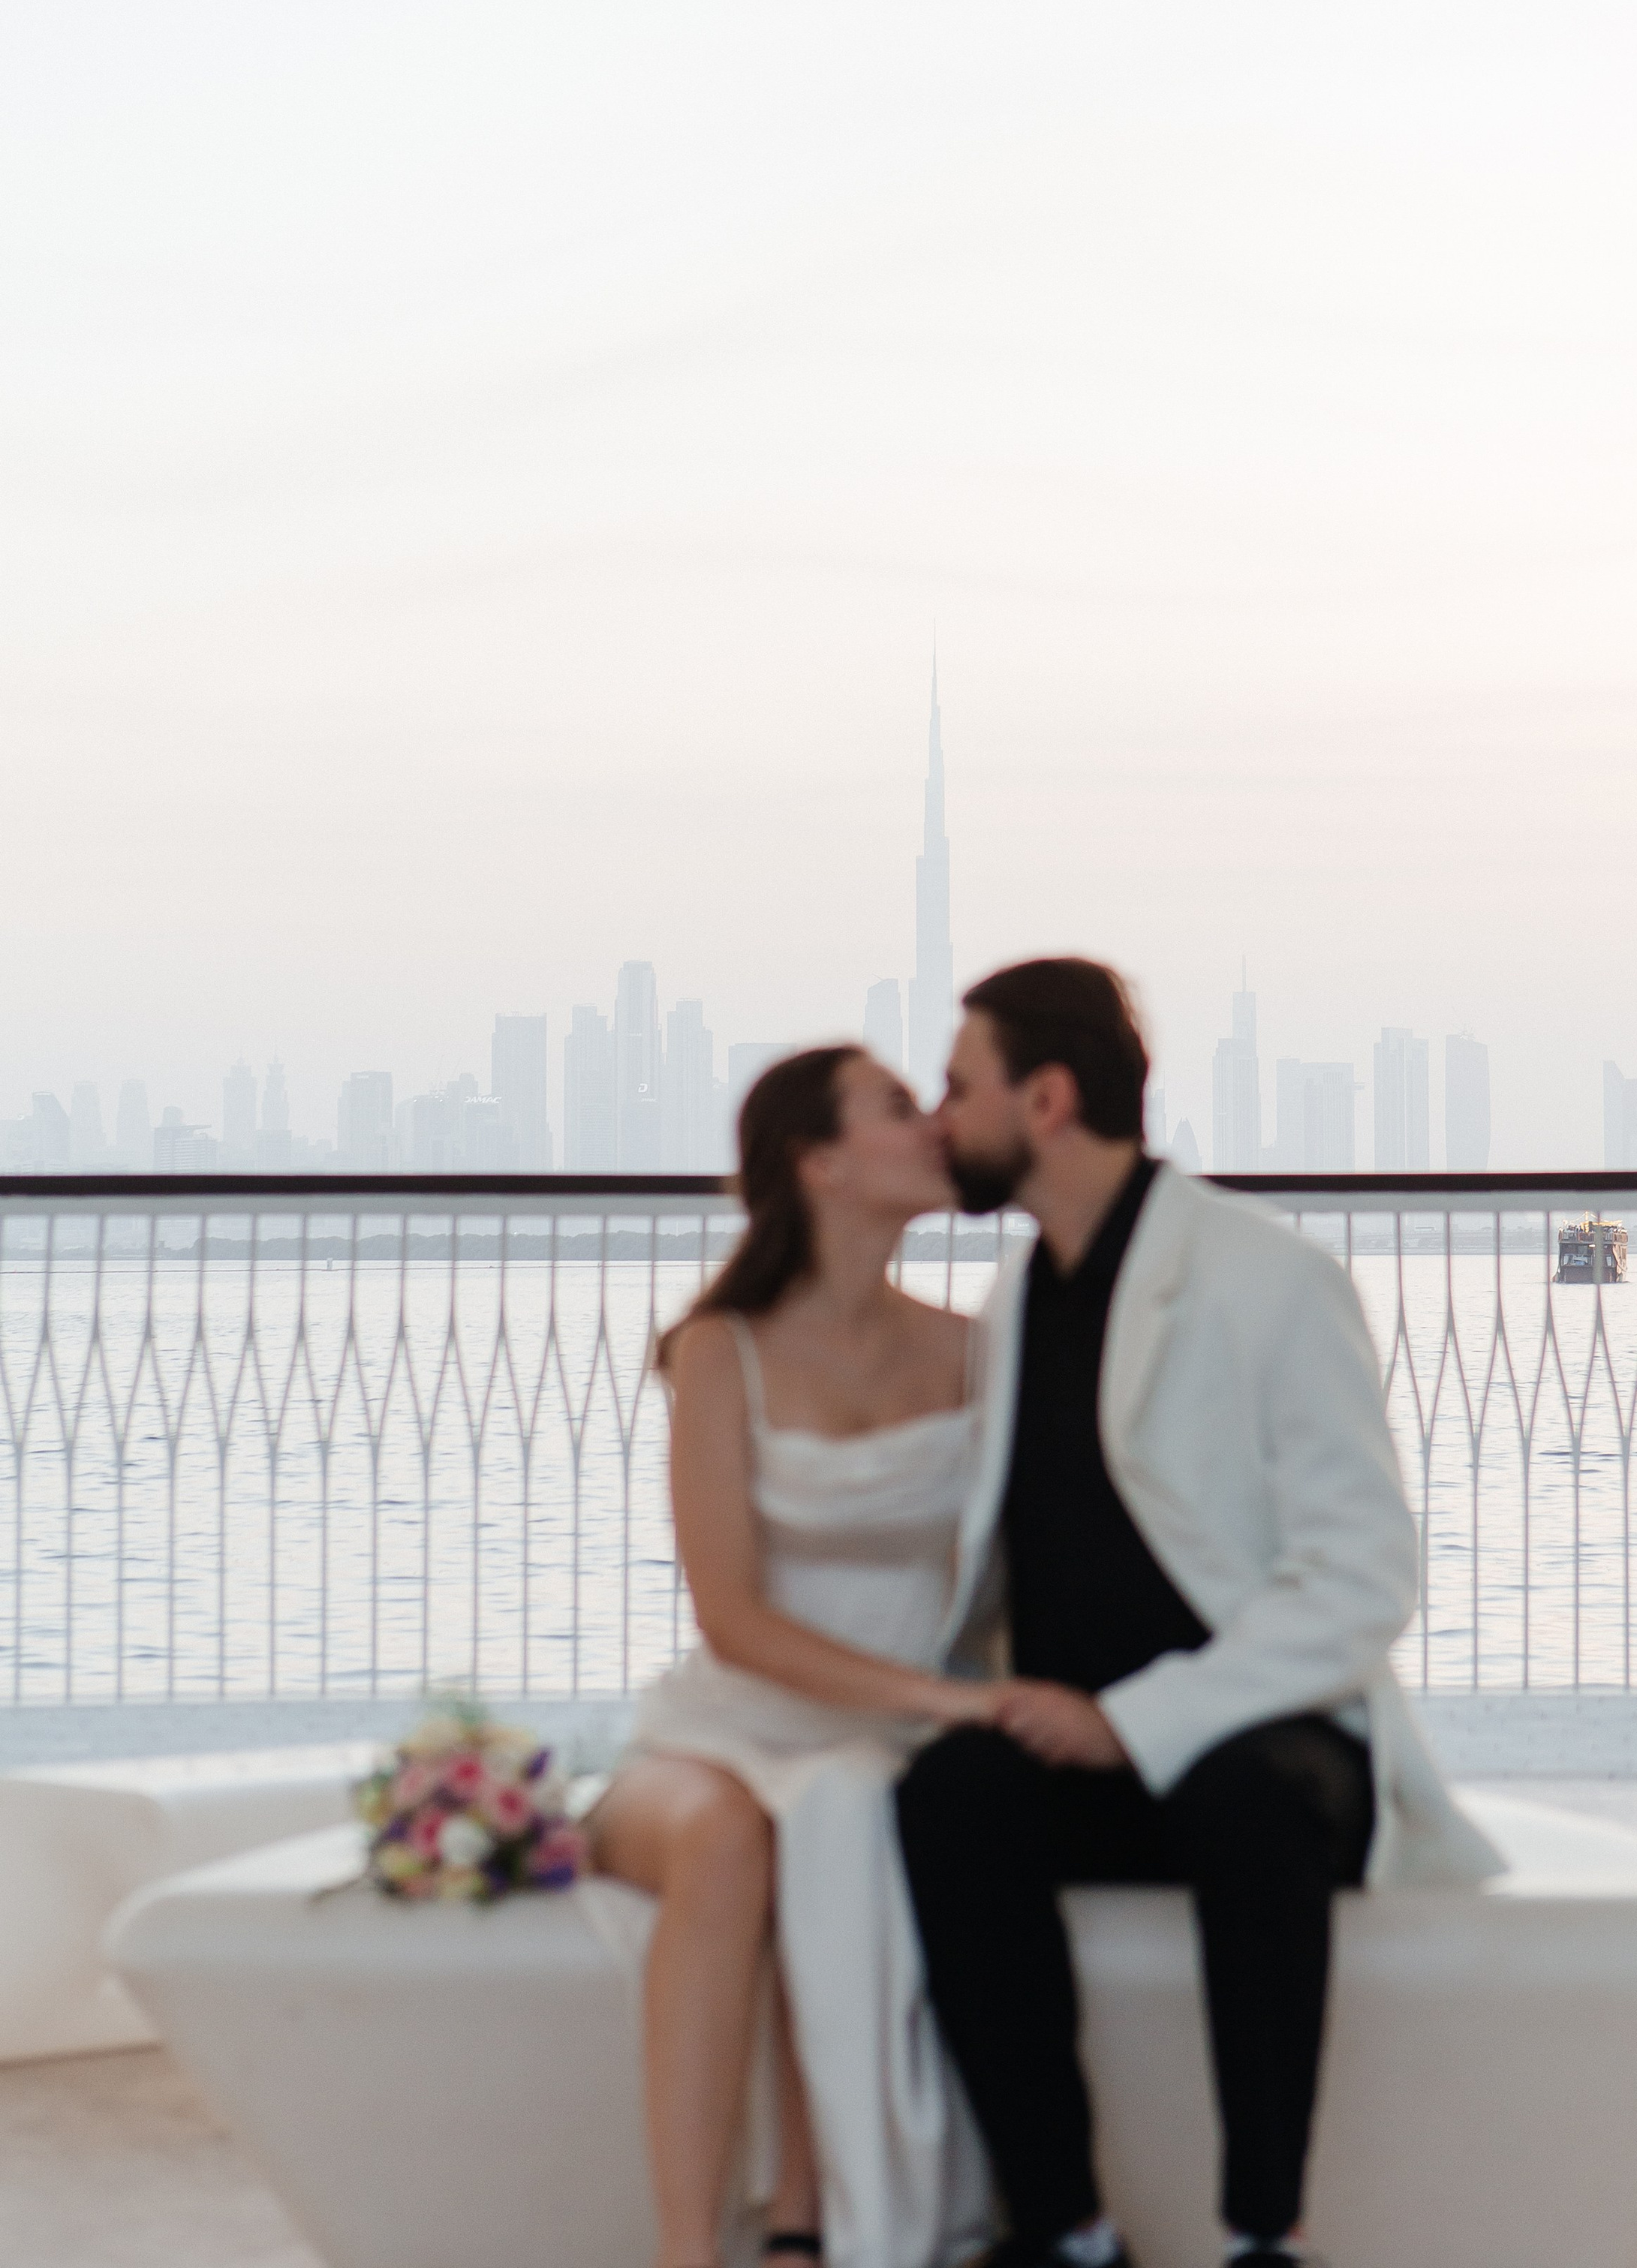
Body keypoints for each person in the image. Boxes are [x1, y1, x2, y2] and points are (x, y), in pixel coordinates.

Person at [897, 960, 1501, 2268]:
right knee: (948, 1794)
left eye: (959, 1085)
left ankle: (1263, 2235)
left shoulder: (1268, 1276)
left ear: (1047, 1097)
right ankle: (1065, 2230)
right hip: (1077, 1748)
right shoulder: (1011, 1305)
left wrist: (1132, 1720)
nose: (939, 1117)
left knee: (1244, 1794)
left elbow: (1363, 1578)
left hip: (1271, 1739)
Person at [590, 1045, 998, 2268]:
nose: (931, 1122)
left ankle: (808, 2225)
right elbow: (731, 1614)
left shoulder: (978, 1351)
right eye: (894, 1106)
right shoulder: (721, 1348)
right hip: (727, 1722)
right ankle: (686, 2252)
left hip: (888, 1739)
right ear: (819, 1162)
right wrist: (940, 1698)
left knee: (847, 1809)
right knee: (727, 1838)